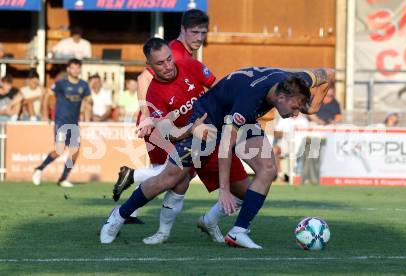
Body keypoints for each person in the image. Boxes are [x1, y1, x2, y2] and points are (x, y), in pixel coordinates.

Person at [101, 66, 335, 249]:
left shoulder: (295, 80)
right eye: (295, 107)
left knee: (268, 168)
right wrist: (224, 189)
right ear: (282, 97)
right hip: (208, 120)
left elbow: (328, 74)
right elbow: (226, 145)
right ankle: (118, 216)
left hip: (238, 118)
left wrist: (312, 106)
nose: (297, 113)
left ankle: (238, 231)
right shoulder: (249, 100)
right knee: (169, 179)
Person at [109, 38, 250, 245]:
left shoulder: (190, 64)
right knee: (174, 180)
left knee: (247, 193)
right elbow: (167, 132)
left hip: (213, 137)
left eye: (169, 59)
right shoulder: (154, 92)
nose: (168, 65)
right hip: (184, 138)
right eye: (160, 63)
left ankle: (210, 220)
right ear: (150, 66)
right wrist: (187, 128)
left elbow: (220, 89)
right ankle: (130, 220)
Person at [114, 10, 211, 235]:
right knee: (177, 173)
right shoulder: (174, 53)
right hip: (160, 123)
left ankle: (130, 212)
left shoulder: (185, 55)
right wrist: (146, 114)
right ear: (183, 30)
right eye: (194, 32)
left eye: (203, 33)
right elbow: (143, 78)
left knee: (170, 173)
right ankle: (132, 178)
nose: (199, 37)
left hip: (173, 123)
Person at [32, 59, 92, 188]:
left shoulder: (84, 85)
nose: (75, 70)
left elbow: (88, 100)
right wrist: (44, 113)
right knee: (60, 150)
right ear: (68, 69)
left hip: (74, 123)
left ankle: (63, 178)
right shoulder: (61, 84)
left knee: (75, 152)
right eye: (73, 68)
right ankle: (39, 169)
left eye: (77, 68)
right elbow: (47, 95)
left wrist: (89, 107)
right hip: (61, 121)